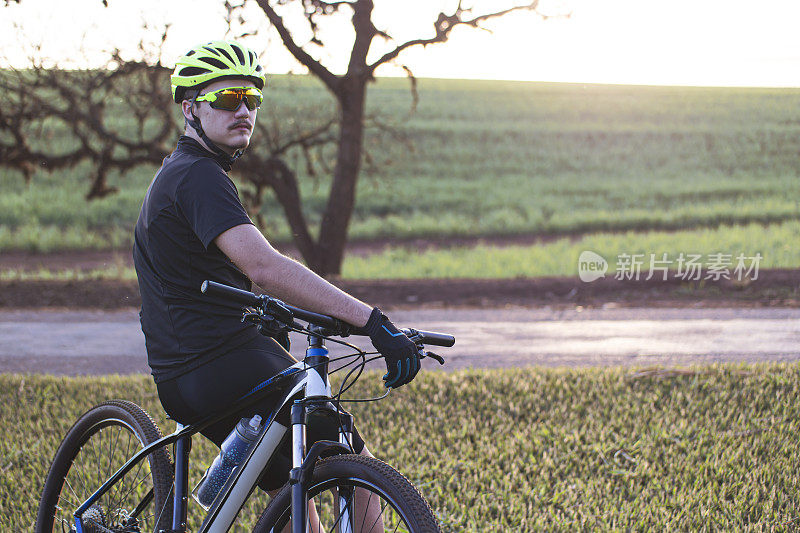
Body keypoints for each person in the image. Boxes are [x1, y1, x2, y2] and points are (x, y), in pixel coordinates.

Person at [132, 40, 420, 495]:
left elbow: (206, 275)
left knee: (288, 494)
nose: (244, 110)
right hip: (220, 362)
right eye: (229, 99)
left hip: (181, 374)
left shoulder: (179, 172)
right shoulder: (199, 175)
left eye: (253, 100)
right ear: (190, 108)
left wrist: (269, 315)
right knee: (358, 471)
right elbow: (264, 267)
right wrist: (373, 322)